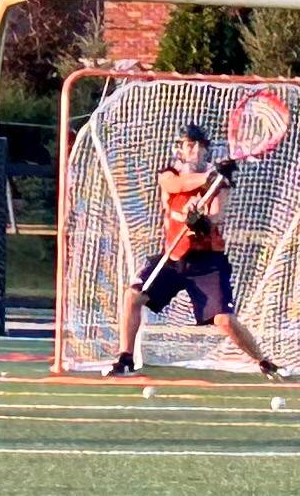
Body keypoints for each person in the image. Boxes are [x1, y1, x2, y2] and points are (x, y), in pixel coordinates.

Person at [105, 122, 279, 378]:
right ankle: (125, 358)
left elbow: (218, 216)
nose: (195, 150)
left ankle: (263, 362)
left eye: (200, 145)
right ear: (179, 150)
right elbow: (175, 186)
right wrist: (208, 178)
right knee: (133, 296)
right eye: (189, 145)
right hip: (172, 258)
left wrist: (202, 222)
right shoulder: (169, 174)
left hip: (207, 262)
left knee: (224, 321)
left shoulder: (219, 181)